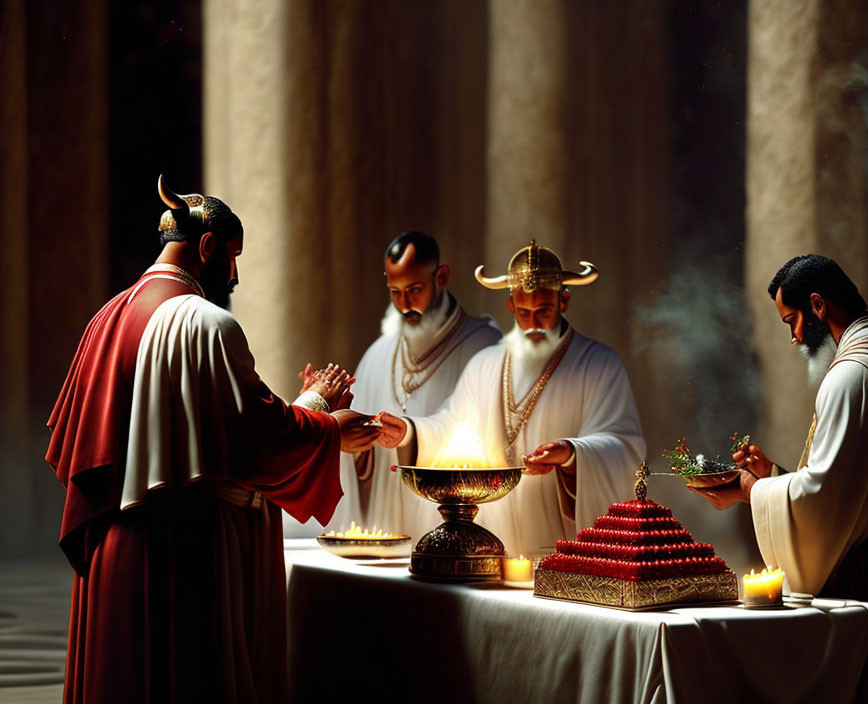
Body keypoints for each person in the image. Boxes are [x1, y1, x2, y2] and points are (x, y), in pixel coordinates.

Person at [46, 176, 381, 703]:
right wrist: (324, 413)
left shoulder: (106, 317)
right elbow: (254, 444)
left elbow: (207, 427)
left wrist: (306, 413)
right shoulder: (207, 323)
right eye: (233, 256)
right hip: (180, 554)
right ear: (207, 247)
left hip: (113, 546)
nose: (235, 273)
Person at [378, 241, 646, 557]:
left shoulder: (598, 363)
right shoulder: (485, 364)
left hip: (558, 543)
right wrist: (408, 432)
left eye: (543, 311)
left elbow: (625, 446)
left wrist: (572, 454)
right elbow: (451, 428)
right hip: (493, 541)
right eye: (523, 312)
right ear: (510, 306)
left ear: (565, 301)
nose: (533, 324)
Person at [691, 254, 868, 605]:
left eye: (792, 321)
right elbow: (851, 485)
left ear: (817, 304)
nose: (795, 337)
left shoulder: (851, 376)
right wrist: (772, 475)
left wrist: (749, 489)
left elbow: (824, 502)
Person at [316, 231, 501, 540]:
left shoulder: (484, 347)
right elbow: (359, 467)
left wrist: (411, 434)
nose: (404, 304)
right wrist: (347, 430)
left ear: (441, 277)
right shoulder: (378, 354)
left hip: (457, 529)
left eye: (414, 290)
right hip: (388, 527)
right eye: (395, 291)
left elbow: (488, 441)